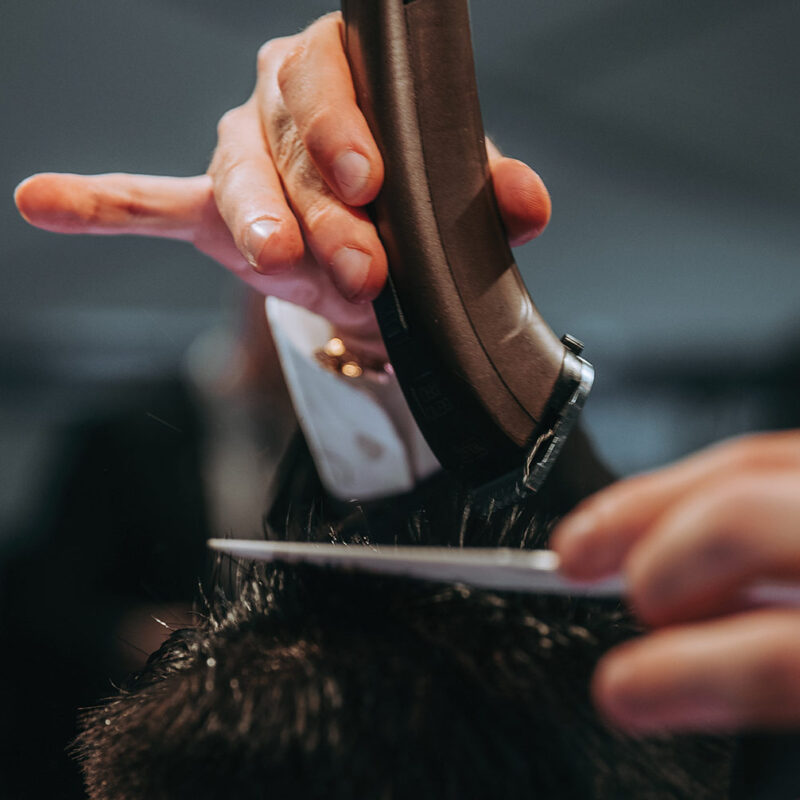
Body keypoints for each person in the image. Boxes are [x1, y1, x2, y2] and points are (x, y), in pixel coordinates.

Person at [13, 5, 800, 748]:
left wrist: (411, 343)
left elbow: (526, 603)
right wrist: (139, 636)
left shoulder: (387, 443)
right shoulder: (121, 437)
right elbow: (40, 606)